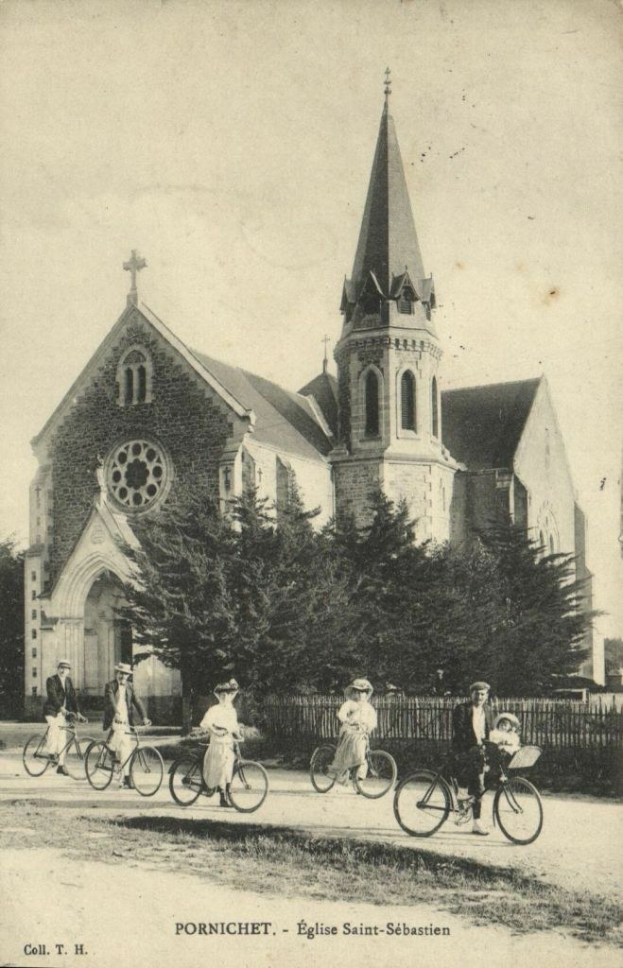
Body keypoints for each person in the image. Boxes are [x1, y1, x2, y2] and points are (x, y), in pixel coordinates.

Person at [452, 681, 494, 836]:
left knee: (479, 788)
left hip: (479, 753)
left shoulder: (487, 710)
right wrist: (474, 745)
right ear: (471, 694)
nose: (480, 697)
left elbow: (489, 732)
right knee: (477, 786)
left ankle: (474, 819)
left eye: (483, 694)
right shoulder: (462, 709)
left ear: (487, 696)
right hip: (463, 752)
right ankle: (471, 814)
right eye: (477, 693)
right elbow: (460, 732)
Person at [103, 662, 151, 789]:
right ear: (117, 673)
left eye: (125, 674)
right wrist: (116, 712)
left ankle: (124, 773)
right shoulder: (110, 686)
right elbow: (111, 701)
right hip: (115, 718)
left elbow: (138, 702)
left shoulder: (130, 686)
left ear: (128, 676)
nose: (122, 676)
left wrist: (144, 717)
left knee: (125, 749)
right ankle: (125, 775)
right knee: (124, 746)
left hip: (126, 721)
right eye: (120, 673)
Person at [199, 679, 242, 808]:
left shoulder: (231, 711)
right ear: (218, 696)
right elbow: (205, 723)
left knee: (229, 769)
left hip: (228, 743)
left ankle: (225, 795)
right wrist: (215, 732)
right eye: (222, 695)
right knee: (222, 769)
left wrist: (240, 736)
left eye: (227, 695)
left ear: (230, 696)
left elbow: (234, 727)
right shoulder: (214, 709)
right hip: (217, 743)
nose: (224, 697)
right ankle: (222, 797)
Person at [328, 678, 377, 785]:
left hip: (362, 732)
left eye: (363, 692)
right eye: (358, 692)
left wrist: (369, 727)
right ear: (354, 693)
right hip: (350, 731)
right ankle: (342, 772)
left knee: (362, 755)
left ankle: (359, 781)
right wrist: (346, 720)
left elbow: (373, 720)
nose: (360, 695)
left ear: (367, 694)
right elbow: (341, 714)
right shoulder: (350, 704)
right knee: (348, 751)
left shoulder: (368, 707)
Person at [43, 660, 85, 776]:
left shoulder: (68, 681)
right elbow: (52, 696)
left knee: (62, 738)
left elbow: (72, 697)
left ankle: (61, 765)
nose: (63, 670)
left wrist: (77, 712)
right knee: (54, 728)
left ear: (68, 671)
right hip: (51, 711)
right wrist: (60, 707)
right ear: (58, 669)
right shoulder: (51, 680)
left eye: (66, 669)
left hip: (63, 713)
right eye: (61, 668)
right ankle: (51, 753)